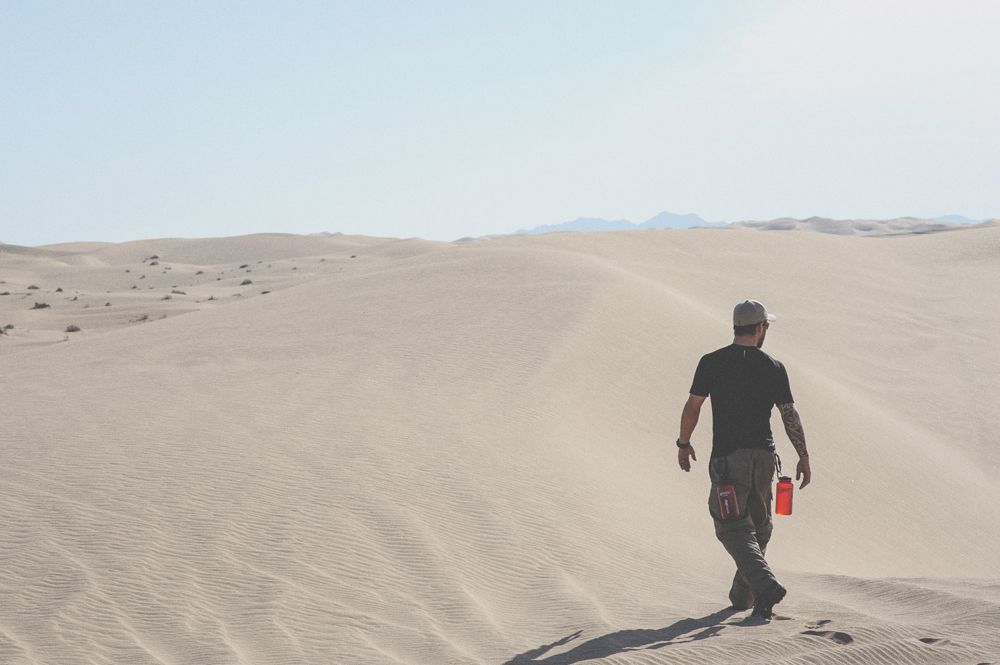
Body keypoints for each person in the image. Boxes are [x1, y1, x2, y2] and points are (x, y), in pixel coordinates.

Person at [675, 299, 811, 619]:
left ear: (736, 327)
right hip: (764, 460)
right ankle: (743, 596)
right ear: (760, 328)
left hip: (728, 461)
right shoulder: (774, 367)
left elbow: (693, 406)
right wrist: (803, 456)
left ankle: (764, 586)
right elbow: (789, 414)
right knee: (760, 527)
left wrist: (684, 443)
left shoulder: (712, 362)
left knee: (731, 527)